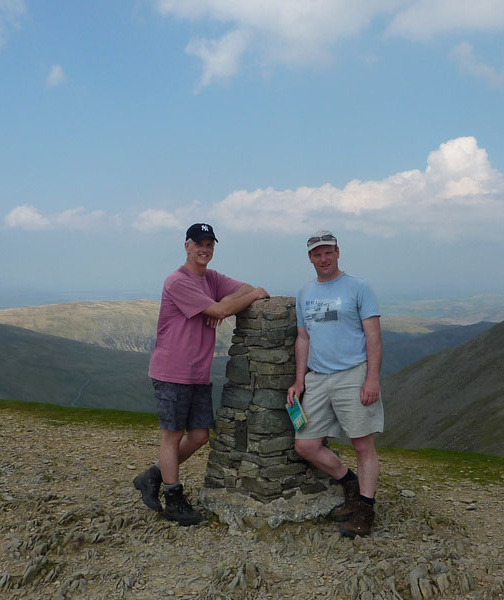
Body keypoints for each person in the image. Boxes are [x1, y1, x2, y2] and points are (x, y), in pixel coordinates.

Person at [134, 223, 269, 525]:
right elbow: (230, 307)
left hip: (197, 373)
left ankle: (152, 476)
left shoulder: (211, 279)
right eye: (199, 244)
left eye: (210, 245)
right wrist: (231, 304)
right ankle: (173, 499)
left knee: (199, 436)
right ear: (187, 246)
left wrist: (222, 303)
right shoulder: (177, 281)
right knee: (172, 437)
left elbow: (241, 290)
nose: (205, 249)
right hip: (172, 371)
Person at [286, 230, 383, 537]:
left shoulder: (358, 287)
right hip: (317, 377)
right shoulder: (305, 293)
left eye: (328, 252)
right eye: (317, 254)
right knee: (306, 445)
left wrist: (371, 378)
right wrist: (299, 380)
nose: (323, 258)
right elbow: (304, 337)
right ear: (310, 258)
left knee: (362, 444)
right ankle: (350, 484)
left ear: (338, 252)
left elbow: (373, 336)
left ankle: (365, 510)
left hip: (352, 374)